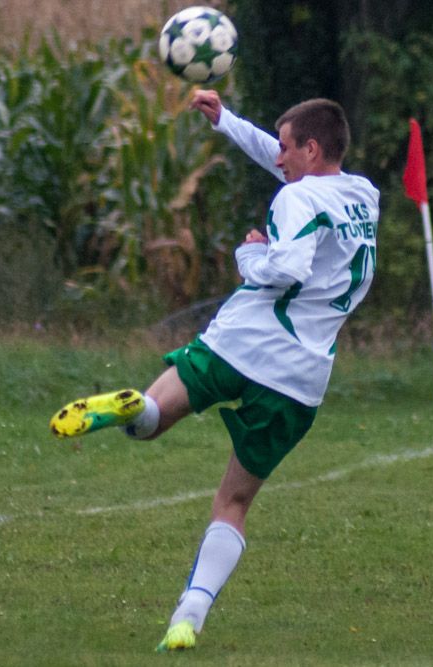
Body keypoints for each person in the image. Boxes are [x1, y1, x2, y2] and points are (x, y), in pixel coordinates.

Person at [48, 89, 379, 652]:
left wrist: (249, 256)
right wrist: (227, 121)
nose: (277, 158)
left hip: (242, 342)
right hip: (298, 379)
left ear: (311, 149)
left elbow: (288, 268)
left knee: (151, 422)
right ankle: (189, 616)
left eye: (287, 148)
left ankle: (137, 406)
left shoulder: (295, 199)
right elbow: (292, 173)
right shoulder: (362, 196)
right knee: (233, 503)